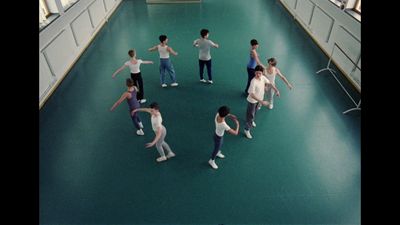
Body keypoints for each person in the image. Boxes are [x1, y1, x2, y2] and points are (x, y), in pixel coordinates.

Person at [244, 65, 280, 139]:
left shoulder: (263, 78)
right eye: (257, 73)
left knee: (255, 112)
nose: (258, 75)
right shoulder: (253, 82)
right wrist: (262, 101)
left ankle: (251, 120)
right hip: (252, 101)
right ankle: (246, 129)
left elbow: (270, 83)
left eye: (260, 73)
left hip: (259, 100)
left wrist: (276, 90)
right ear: (255, 72)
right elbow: (252, 94)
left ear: (262, 73)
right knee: (250, 115)